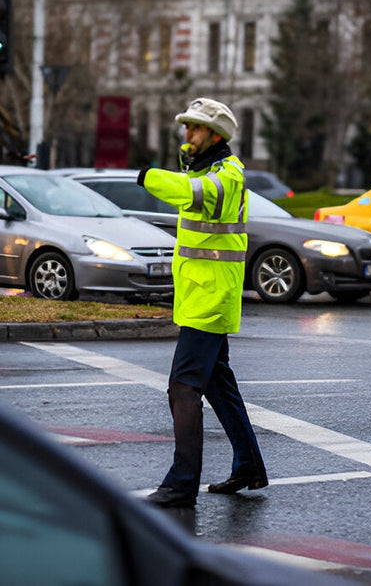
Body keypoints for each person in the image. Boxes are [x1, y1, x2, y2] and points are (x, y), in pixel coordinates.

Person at [138, 98, 268, 509]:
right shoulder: (206, 169)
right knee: (218, 384)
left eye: (193, 129)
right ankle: (248, 465)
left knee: (183, 387)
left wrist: (148, 176)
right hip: (201, 293)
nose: (186, 135)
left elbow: (194, 194)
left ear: (215, 135)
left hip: (211, 299)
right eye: (186, 128)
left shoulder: (226, 176)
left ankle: (181, 484)